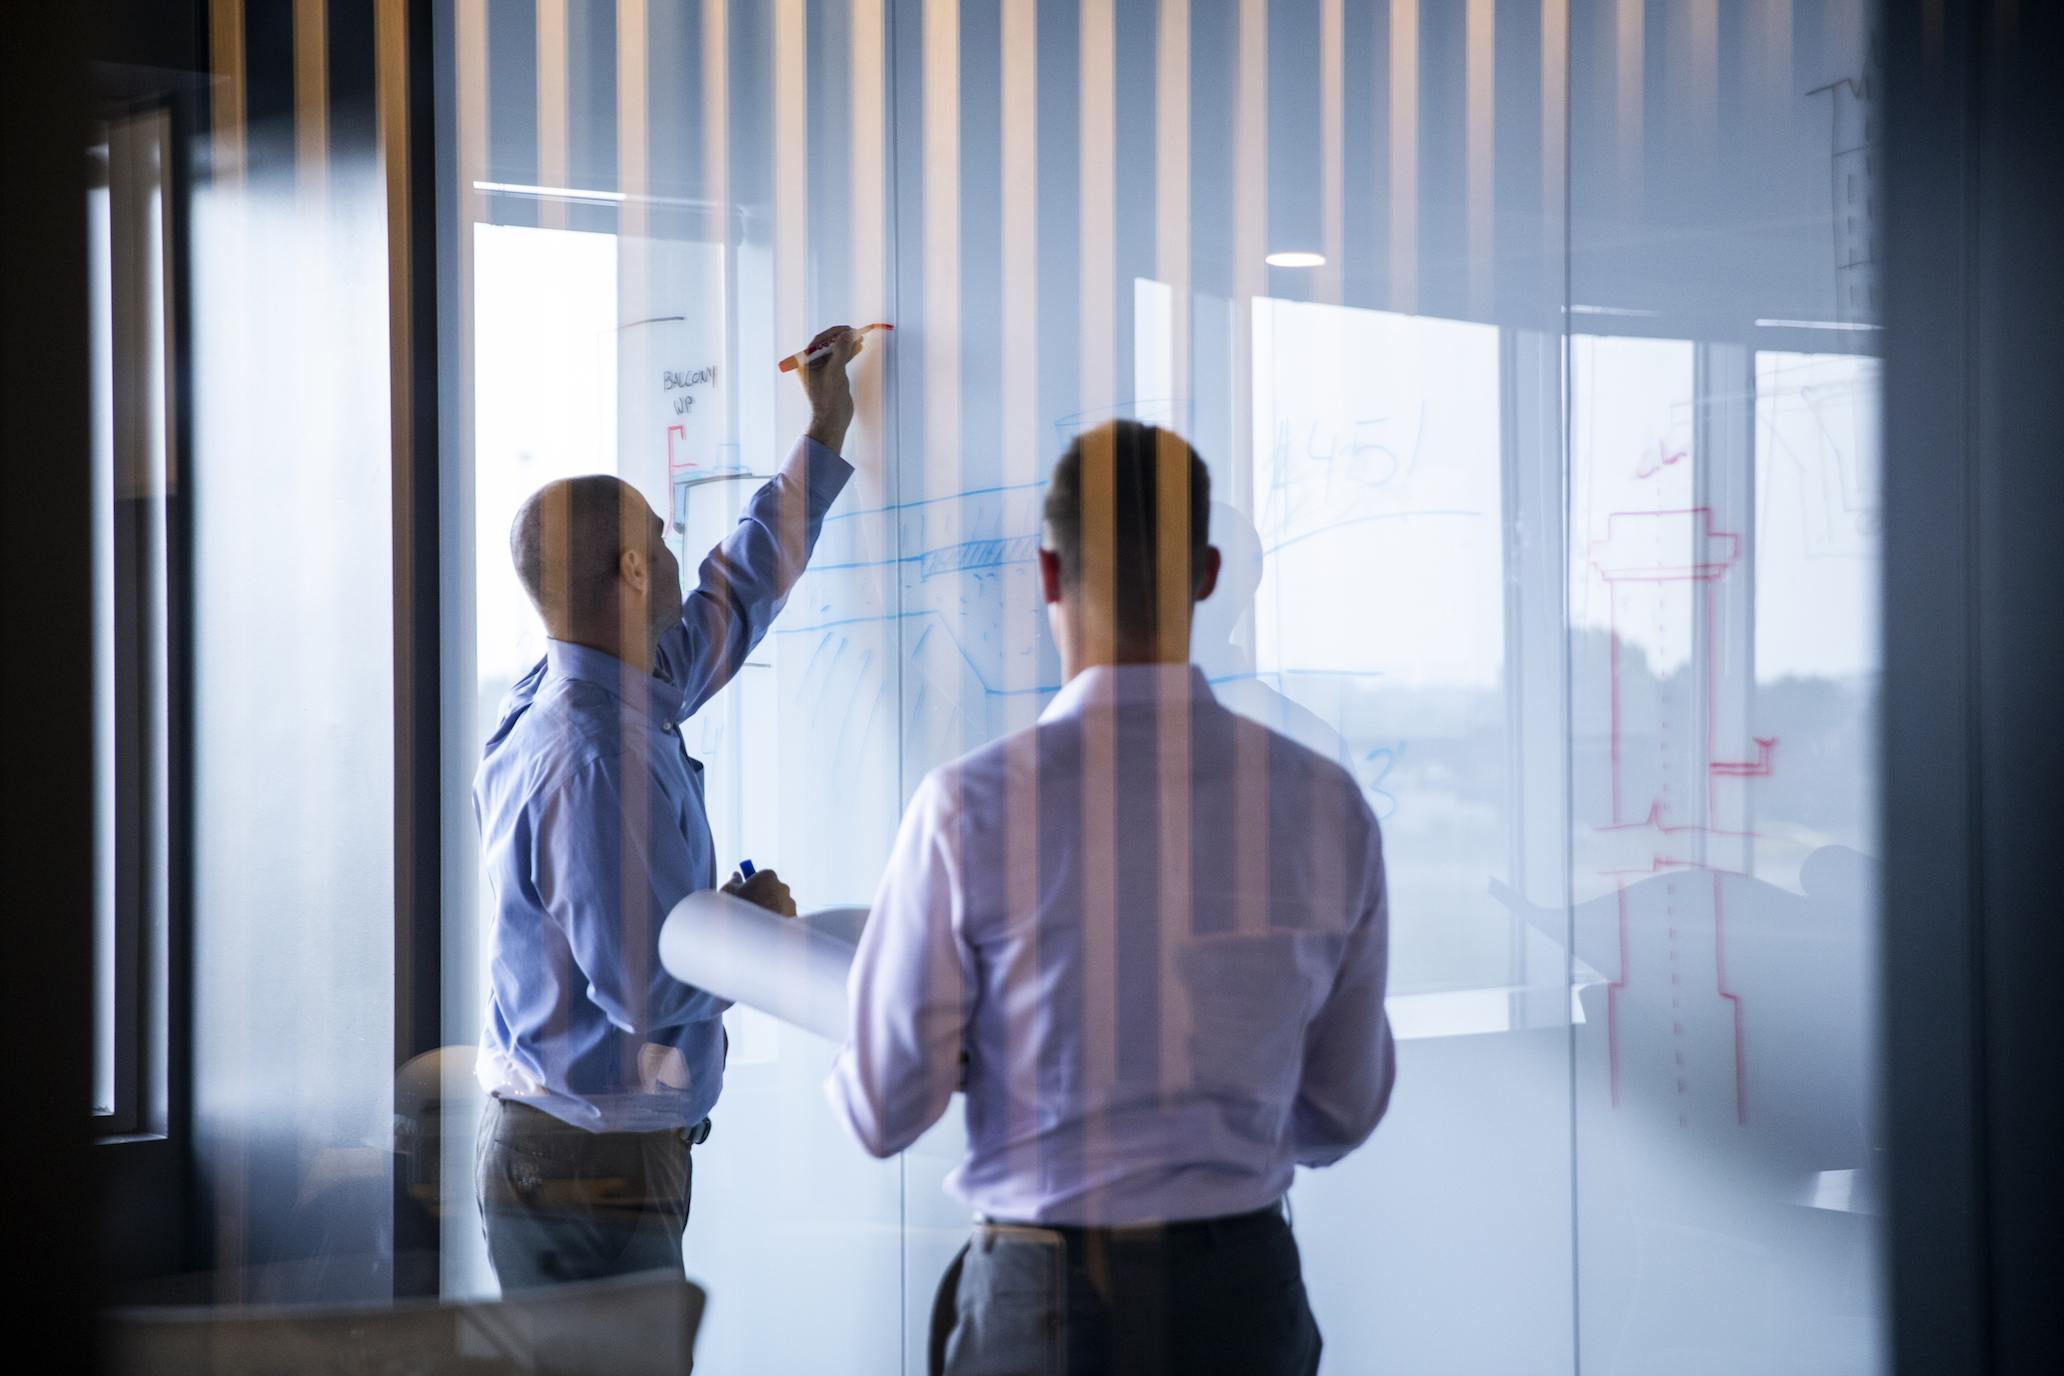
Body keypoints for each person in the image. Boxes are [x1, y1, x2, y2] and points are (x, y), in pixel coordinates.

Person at [827, 421, 1396, 1375]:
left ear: (1047, 575)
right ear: (1206, 574)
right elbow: (1341, 1111)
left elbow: (885, 1110)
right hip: (1244, 1296)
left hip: (1048, 1306)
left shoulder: (971, 809)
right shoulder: (1325, 806)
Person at [474, 325, 867, 1290]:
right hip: (588, 1168)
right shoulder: (594, 757)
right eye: (660, 537)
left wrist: (824, 431)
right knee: (618, 1363)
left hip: (578, 1153)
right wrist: (750, 928)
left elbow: (733, 598)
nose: (675, 550)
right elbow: (645, 988)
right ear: (633, 572)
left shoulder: (592, 691)